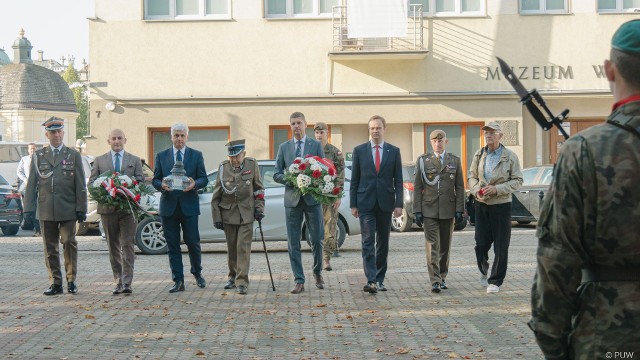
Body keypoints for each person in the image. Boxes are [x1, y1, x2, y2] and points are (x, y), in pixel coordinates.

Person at [529, 19, 640, 358]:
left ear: (609, 70)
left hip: (608, 337)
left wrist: (554, 345)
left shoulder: (584, 151)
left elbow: (557, 262)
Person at [23, 117, 87, 295]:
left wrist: (82, 208)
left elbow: (80, 184)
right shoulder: (38, 156)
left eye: (59, 131)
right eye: (53, 132)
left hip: (68, 208)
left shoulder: (72, 155)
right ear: (47, 134)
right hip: (45, 209)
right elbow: (31, 184)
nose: (56, 135)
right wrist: (28, 209)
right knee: (49, 247)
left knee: (69, 243)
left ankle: (71, 279)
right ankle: (55, 282)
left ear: (63, 133)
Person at [152, 123, 208, 293]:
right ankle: (178, 280)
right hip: (169, 207)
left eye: (182, 136)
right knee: (173, 245)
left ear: (187, 137)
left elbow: (204, 178)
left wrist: (194, 184)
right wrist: (161, 185)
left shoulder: (196, 155)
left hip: (189, 205)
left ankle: (197, 273)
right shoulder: (161, 156)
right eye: (176, 135)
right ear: (171, 137)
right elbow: (155, 179)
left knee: (193, 242)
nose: (179, 139)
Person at [274, 112, 325, 294]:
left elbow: (324, 170)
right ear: (290, 126)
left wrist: (312, 180)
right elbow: (276, 173)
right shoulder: (284, 147)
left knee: (317, 239)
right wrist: (291, 179)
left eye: (299, 123)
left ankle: (318, 271)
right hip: (292, 200)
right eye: (293, 123)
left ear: (305, 124)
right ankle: (299, 280)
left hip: (312, 200)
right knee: (293, 242)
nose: (296, 126)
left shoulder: (316, 145)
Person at [468, 121, 523, 294]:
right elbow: (472, 176)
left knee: (501, 245)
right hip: (482, 204)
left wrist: (497, 189)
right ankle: (484, 270)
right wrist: (476, 191)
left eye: (492, 132)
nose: (488, 135)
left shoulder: (510, 156)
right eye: (486, 133)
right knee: (481, 244)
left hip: (501, 205)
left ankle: (495, 281)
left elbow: (518, 180)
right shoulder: (479, 154)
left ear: (501, 135)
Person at [350, 115, 403, 294]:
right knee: (367, 241)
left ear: (384, 129)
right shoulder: (359, 151)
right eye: (372, 128)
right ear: (369, 130)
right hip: (365, 203)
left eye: (378, 128)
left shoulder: (394, 151)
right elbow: (354, 180)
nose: (375, 131)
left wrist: (399, 204)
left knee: (383, 242)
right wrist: (353, 204)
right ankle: (371, 280)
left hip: (386, 203)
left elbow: (399, 180)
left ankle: (380, 278)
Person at [89, 129, 144, 295]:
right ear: (109, 141)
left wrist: (132, 188)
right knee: (113, 246)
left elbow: (140, 182)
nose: (117, 141)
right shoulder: (99, 161)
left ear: (125, 140)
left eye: (120, 138)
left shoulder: (134, 160)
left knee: (127, 244)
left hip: (128, 210)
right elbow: (91, 184)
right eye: (114, 138)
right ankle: (118, 281)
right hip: (107, 210)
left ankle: (127, 282)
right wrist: (102, 193)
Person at [412, 130, 464, 293]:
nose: (438, 144)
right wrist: (417, 210)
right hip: (429, 209)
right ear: (431, 143)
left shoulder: (454, 160)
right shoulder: (423, 161)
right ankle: (434, 279)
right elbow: (418, 186)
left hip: (448, 209)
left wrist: (459, 209)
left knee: (445, 246)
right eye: (435, 141)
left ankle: (442, 276)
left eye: (440, 141)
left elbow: (460, 186)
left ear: (445, 142)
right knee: (432, 245)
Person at [211, 139, 265, 295]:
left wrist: (259, 209)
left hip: (246, 213)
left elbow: (258, 189)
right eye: (231, 157)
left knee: (243, 247)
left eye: (237, 156)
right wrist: (217, 217)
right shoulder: (223, 167)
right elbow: (216, 195)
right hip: (228, 213)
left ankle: (242, 281)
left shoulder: (251, 164)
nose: (234, 160)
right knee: (232, 248)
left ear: (244, 154)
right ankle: (232, 276)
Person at [313, 122, 345, 271]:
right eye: (317, 133)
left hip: (330, 196)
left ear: (327, 133)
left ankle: (326, 259)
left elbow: (340, 175)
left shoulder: (334, 152)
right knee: (315, 228)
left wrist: (338, 195)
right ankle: (317, 258)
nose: (319, 135)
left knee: (330, 227)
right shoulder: (311, 150)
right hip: (315, 196)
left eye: (322, 132)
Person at [17, 142, 41, 236]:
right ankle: (35, 227)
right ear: (28, 150)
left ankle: (38, 230)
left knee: (37, 208)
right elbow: (19, 171)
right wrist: (25, 180)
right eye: (31, 149)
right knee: (29, 209)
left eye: (34, 148)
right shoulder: (24, 159)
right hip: (27, 186)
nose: (32, 150)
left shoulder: (39, 159)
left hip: (38, 186)